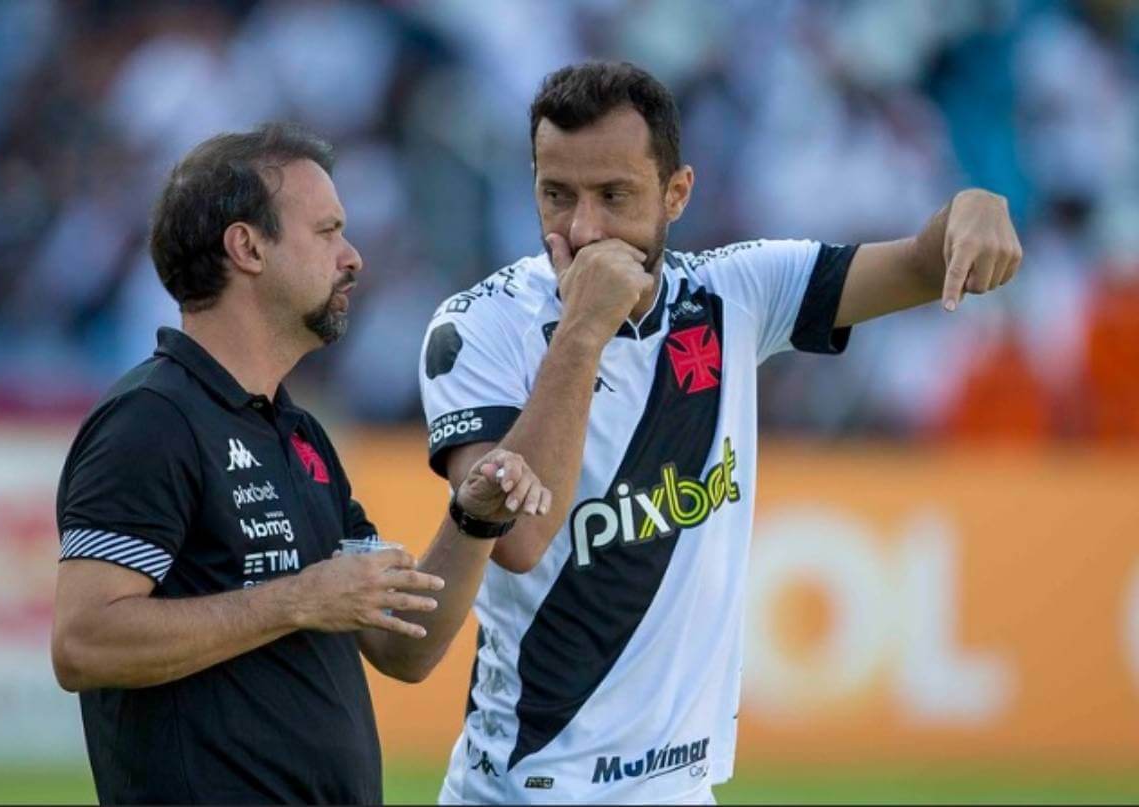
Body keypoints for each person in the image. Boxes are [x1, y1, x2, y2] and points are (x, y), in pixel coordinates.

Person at [419, 62, 1023, 805]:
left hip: (681, 789)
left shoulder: (736, 293)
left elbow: (922, 265)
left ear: (677, 193)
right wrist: (583, 331)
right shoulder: (477, 327)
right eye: (556, 194)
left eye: (614, 195)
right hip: (525, 791)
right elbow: (516, 536)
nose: (582, 230)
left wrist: (975, 205)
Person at [50, 122, 551, 805]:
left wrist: (471, 518)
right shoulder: (149, 419)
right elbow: (83, 642)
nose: (353, 258)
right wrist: (298, 599)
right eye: (328, 231)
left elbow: (406, 646)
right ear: (248, 247)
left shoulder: (301, 434)